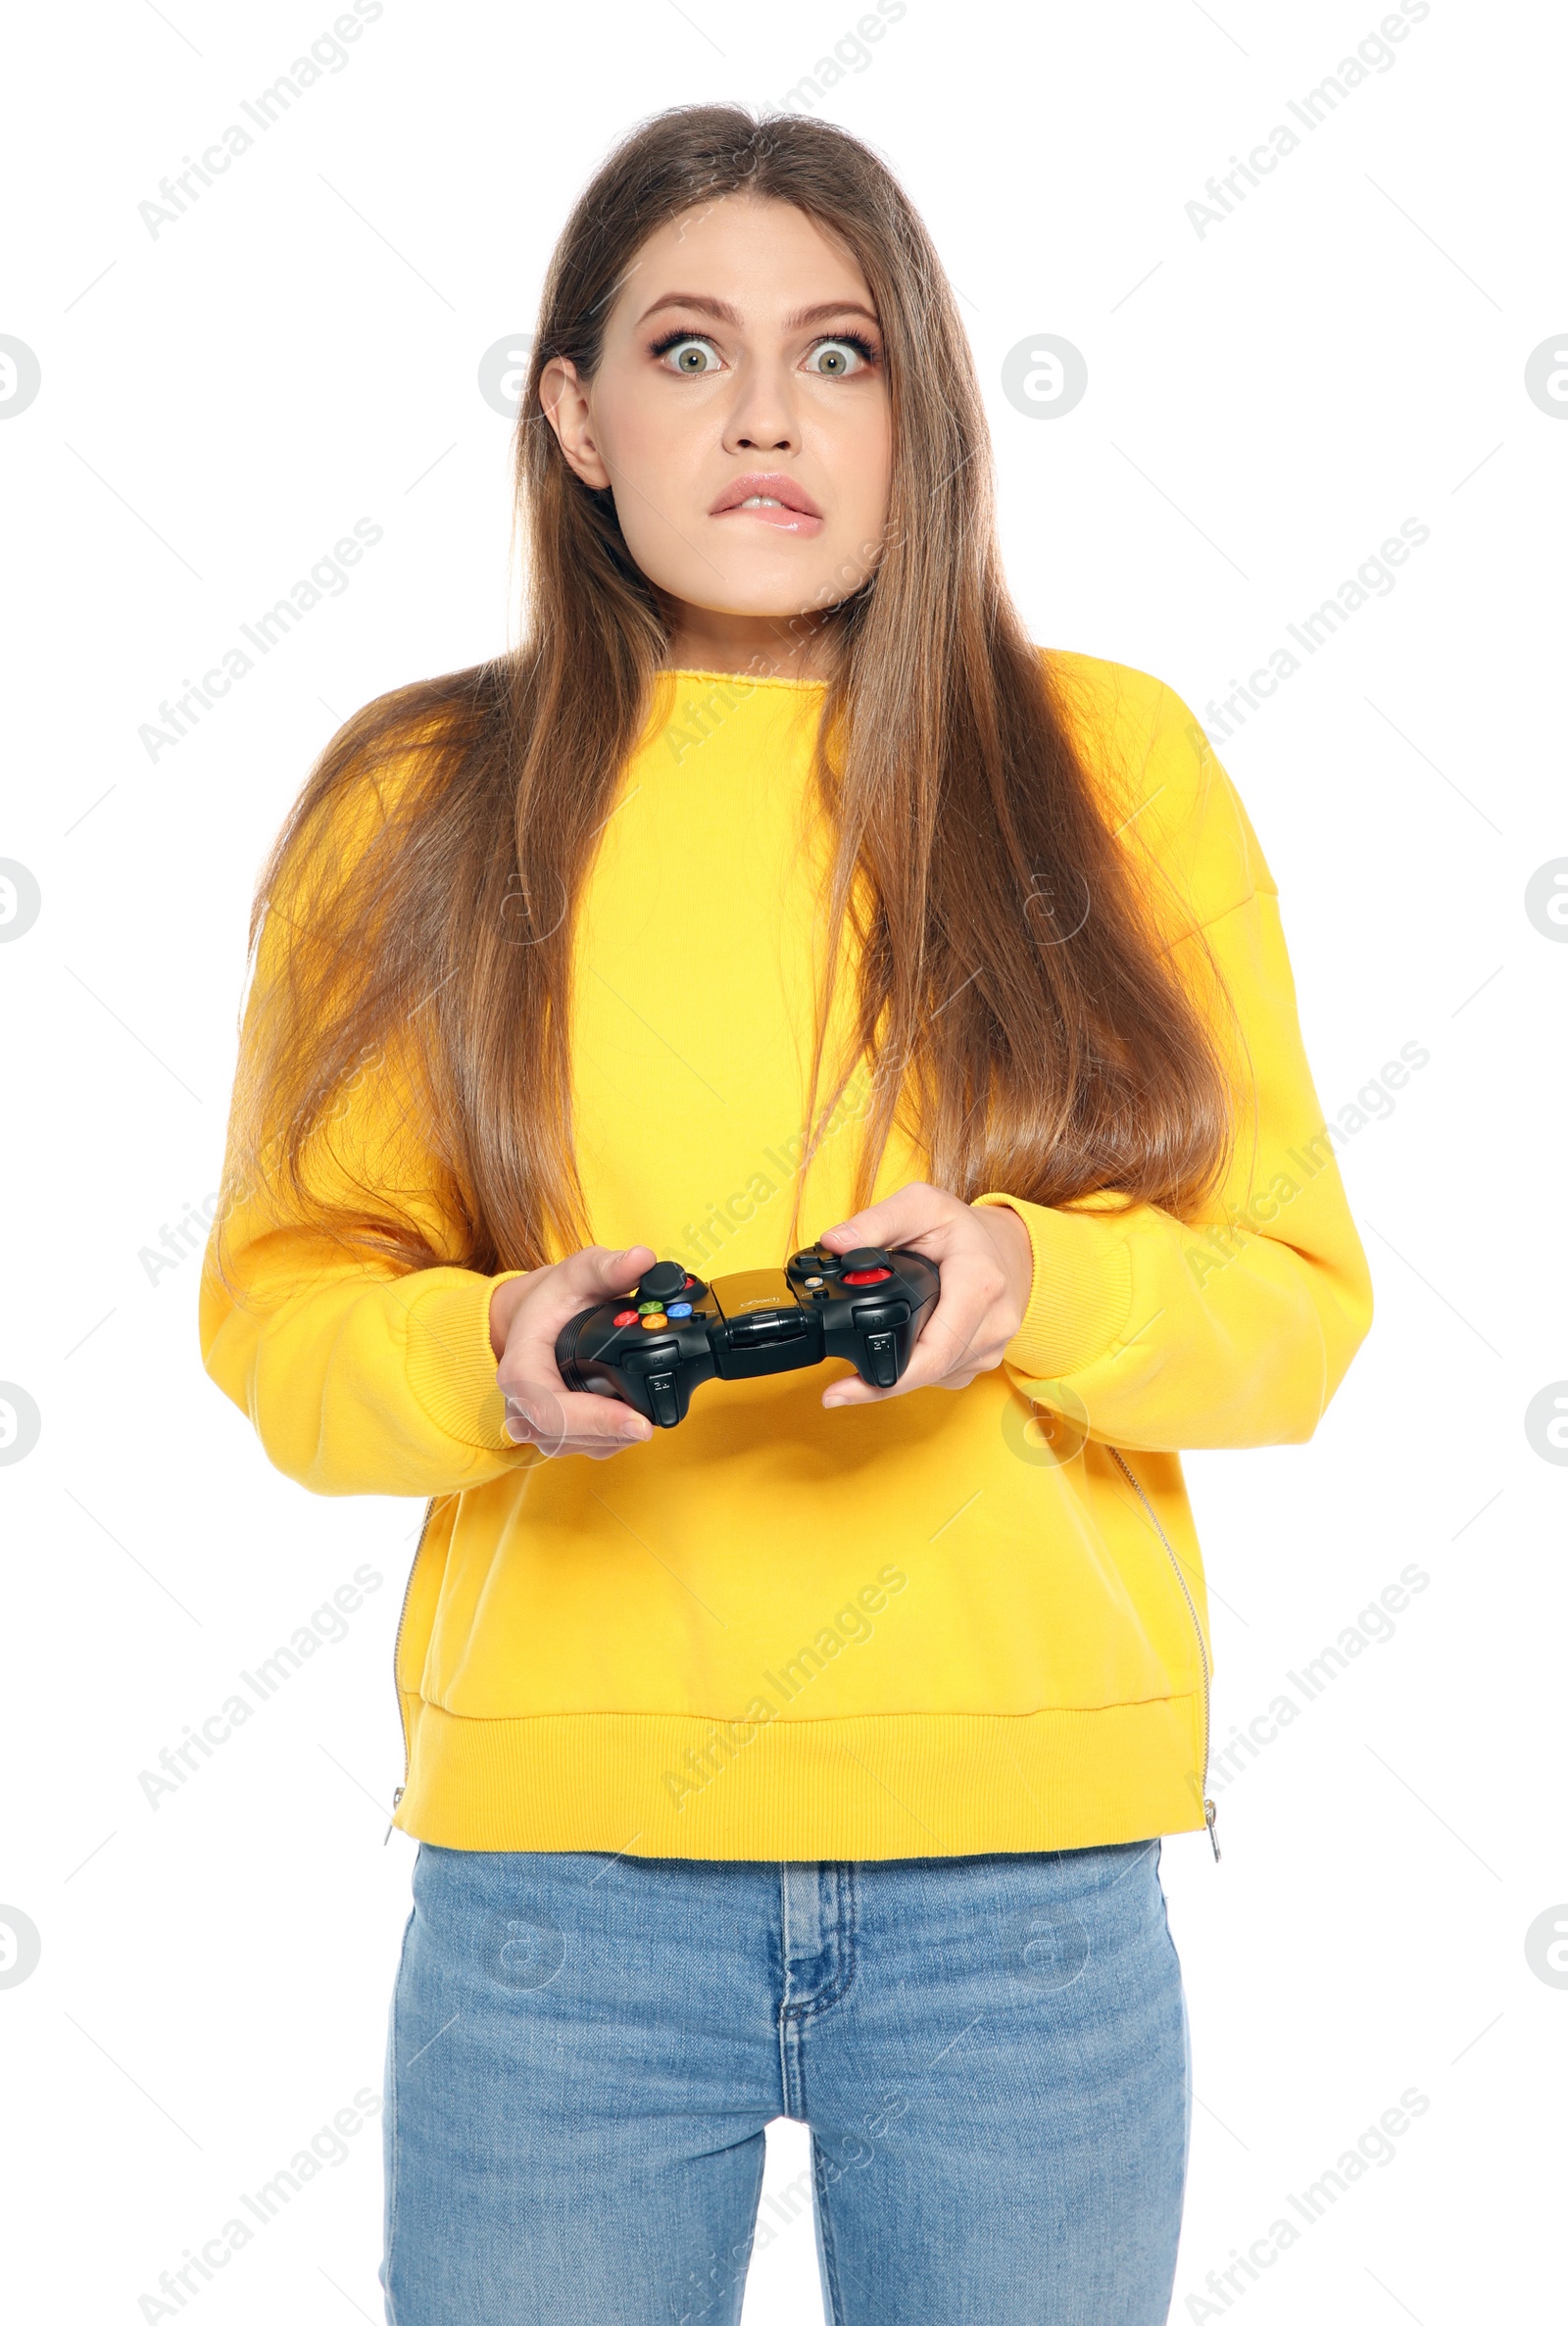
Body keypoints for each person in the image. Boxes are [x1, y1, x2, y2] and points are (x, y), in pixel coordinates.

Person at [199, 102, 1373, 2326]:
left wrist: (1035, 1277)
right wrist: (488, 1352)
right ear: (571, 413)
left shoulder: (1108, 767)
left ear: (918, 407)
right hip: (564, 1894)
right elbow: (282, 1315)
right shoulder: (413, 802)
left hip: (1021, 1895)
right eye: (682, 348)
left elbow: (1294, 1312)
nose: (762, 413)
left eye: (837, 353)